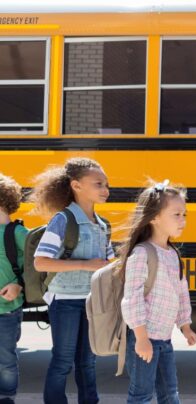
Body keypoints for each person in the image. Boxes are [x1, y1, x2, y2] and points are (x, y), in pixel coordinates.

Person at [31, 157, 114, 404]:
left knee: (88, 362)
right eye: (98, 184)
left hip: (91, 302)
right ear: (76, 186)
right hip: (65, 300)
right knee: (63, 360)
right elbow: (41, 261)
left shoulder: (103, 225)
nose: (105, 189)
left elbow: (109, 264)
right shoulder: (63, 220)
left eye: (106, 184)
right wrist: (85, 265)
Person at [120, 180, 196, 404]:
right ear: (153, 217)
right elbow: (132, 298)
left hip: (165, 340)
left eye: (184, 214)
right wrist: (142, 338)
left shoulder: (172, 254)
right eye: (176, 214)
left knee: (170, 393)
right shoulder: (142, 253)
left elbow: (181, 292)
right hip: (145, 338)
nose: (182, 220)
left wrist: (185, 325)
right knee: (141, 395)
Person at [0, 173, 28, 404]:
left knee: (6, 358)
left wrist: (18, 284)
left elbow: (37, 265)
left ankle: (7, 397)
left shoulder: (17, 233)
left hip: (7, 309)